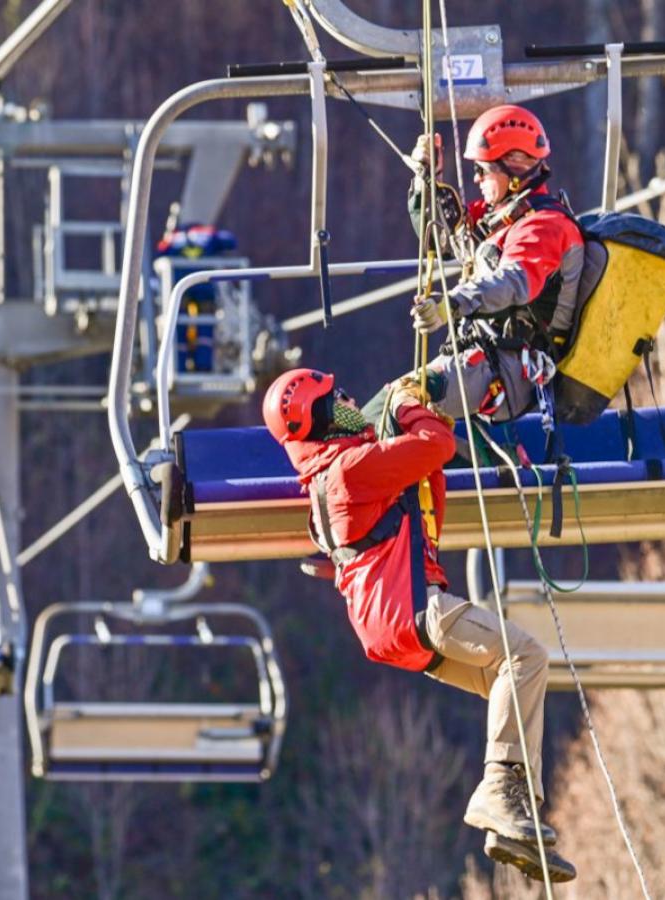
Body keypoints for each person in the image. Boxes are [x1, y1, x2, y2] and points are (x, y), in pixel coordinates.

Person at [263, 367, 576, 882]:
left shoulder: (328, 480)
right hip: (412, 609)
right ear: (318, 418)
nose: (347, 399)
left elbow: (416, 479)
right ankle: (500, 792)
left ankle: (511, 822)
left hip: (392, 631)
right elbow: (434, 445)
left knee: (514, 684)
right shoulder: (349, 469)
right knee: (525, 656)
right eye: (334, 397)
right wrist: (409, 403)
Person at [364, 104, 584, 426]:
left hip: (510, 371)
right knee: (387, 409)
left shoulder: (545, 226)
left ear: (515, 167)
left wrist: (451, 306)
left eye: (483, 169)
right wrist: (428, 178)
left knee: (398, 404)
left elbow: (512, 283)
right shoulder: (501, 217)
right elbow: (442, 238)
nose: (476, 178)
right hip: (481, 358)